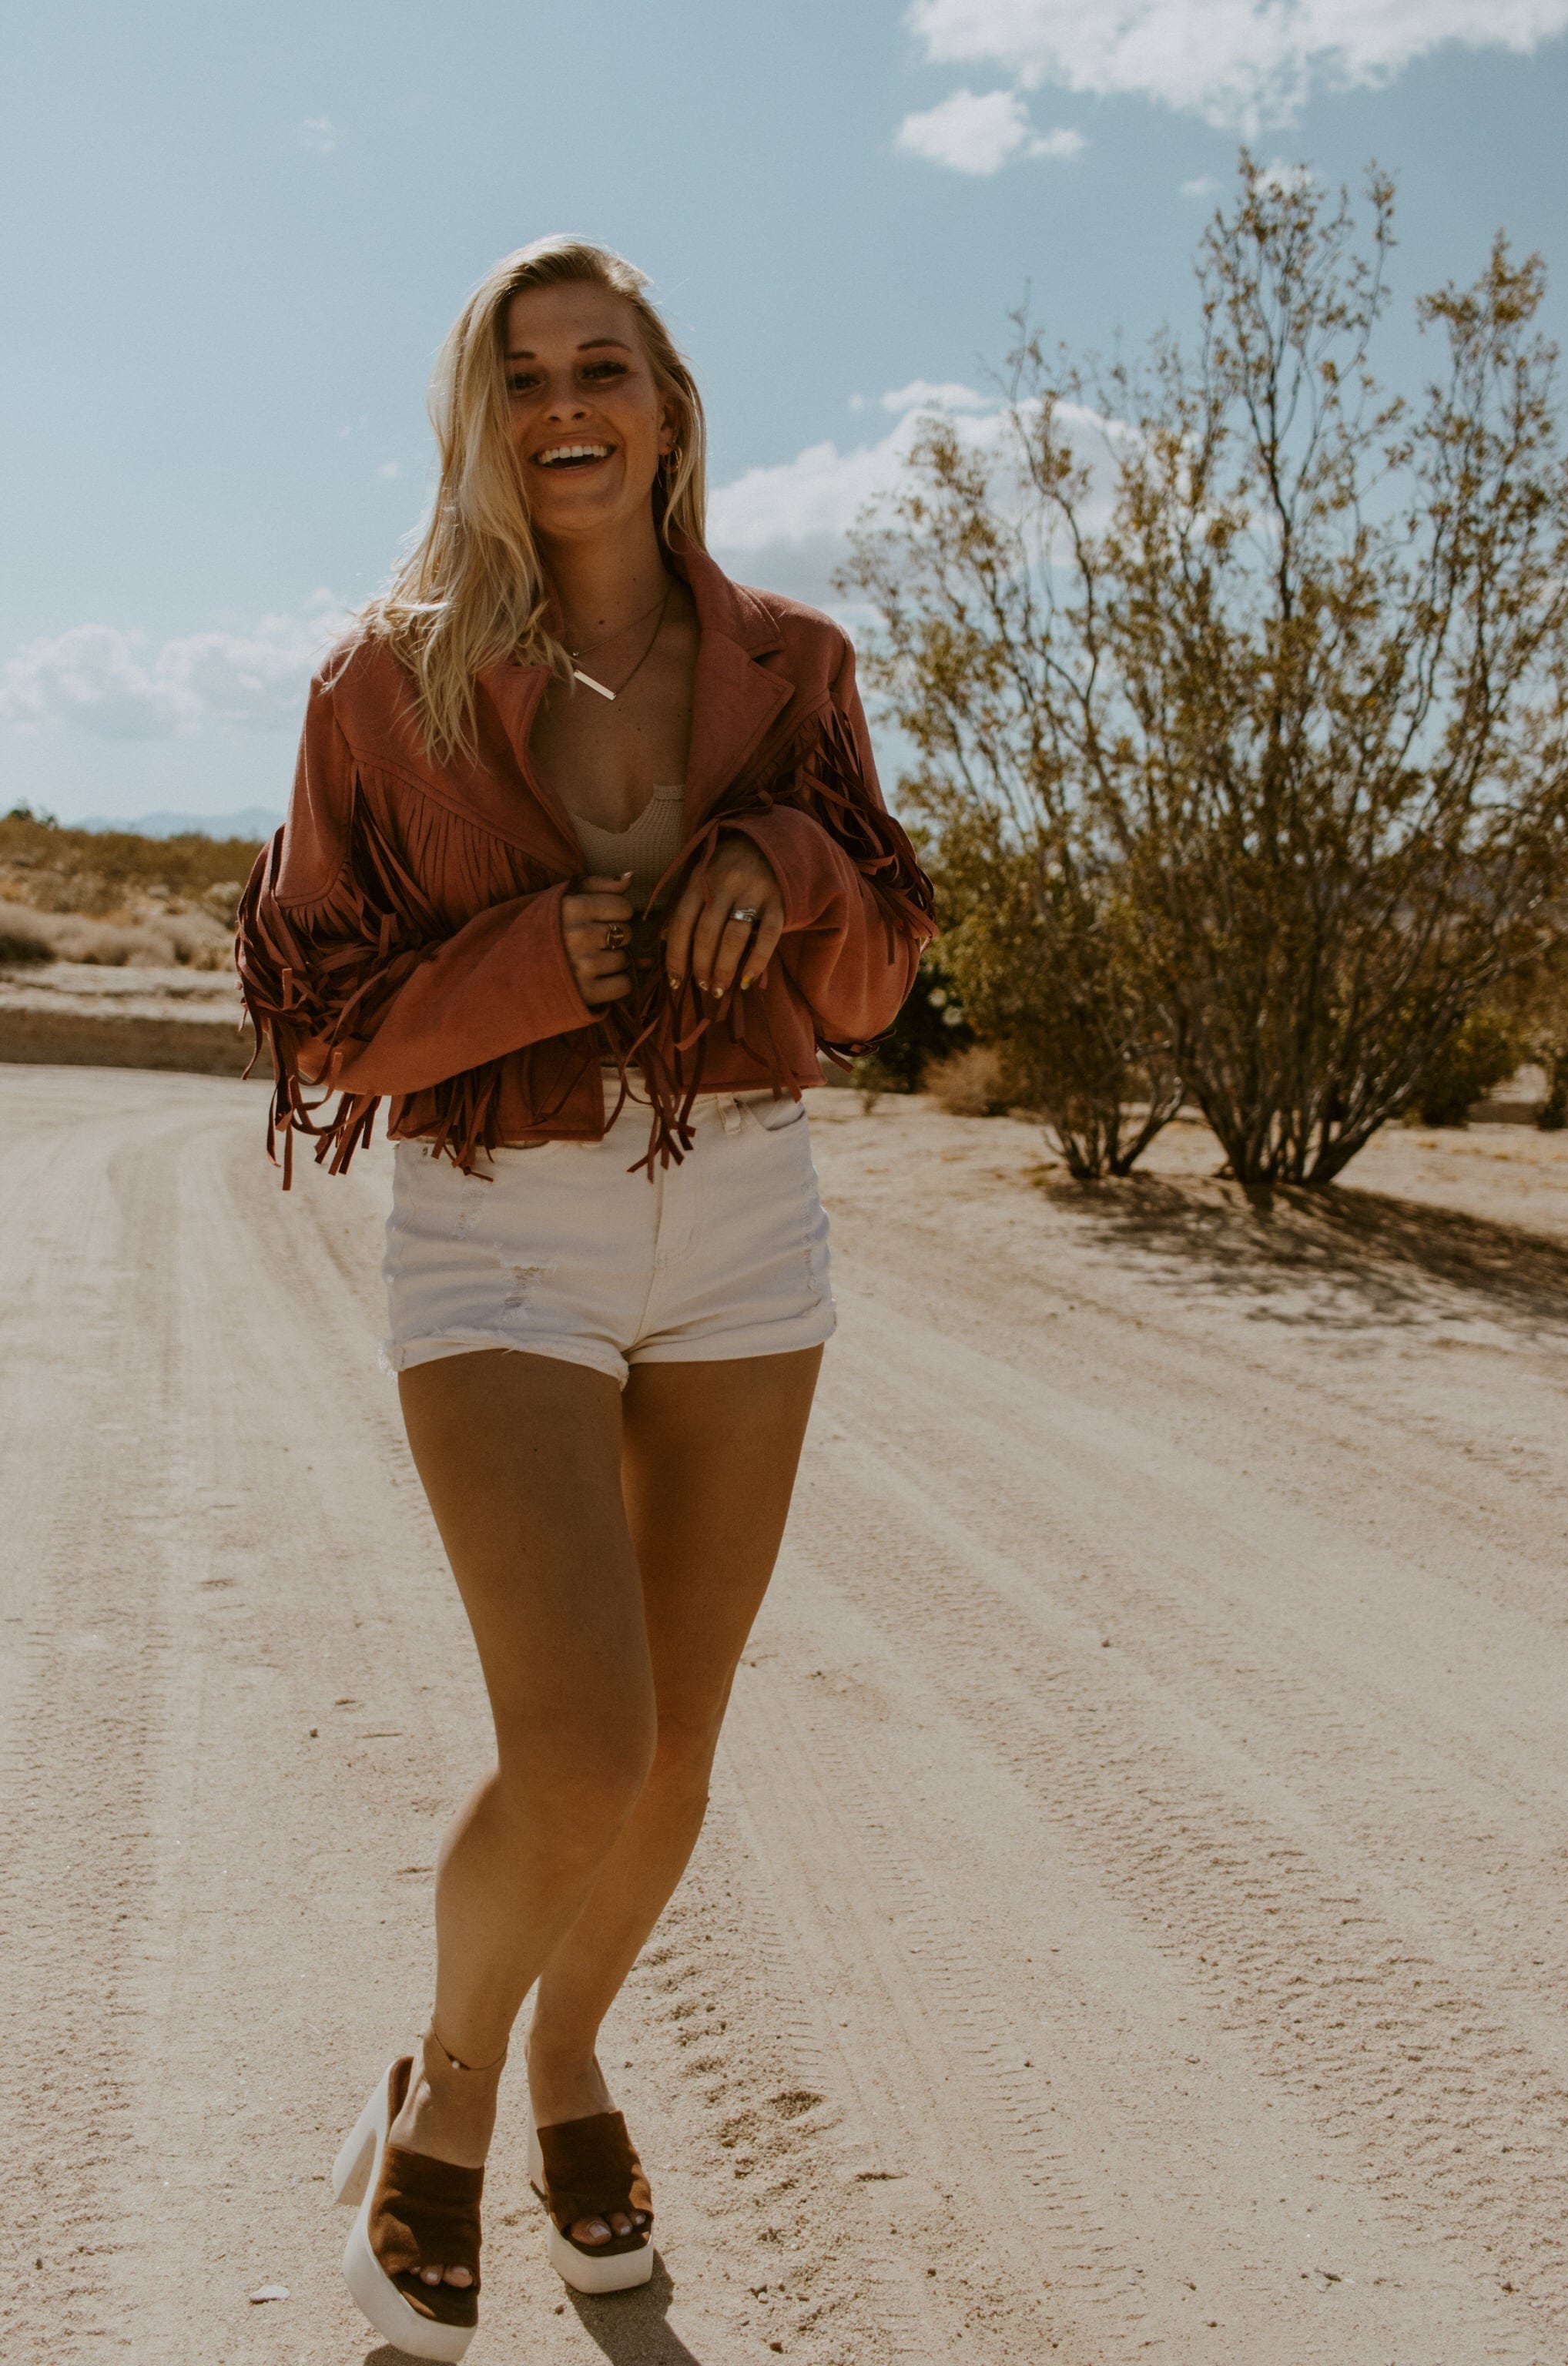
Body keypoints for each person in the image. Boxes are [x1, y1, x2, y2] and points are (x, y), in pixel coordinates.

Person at [237, 234, 933, 2360]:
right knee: (582, 1745)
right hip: (498, 1221)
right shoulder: (384, 682)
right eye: (523, 371)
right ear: (481, 415)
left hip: (744, 1216)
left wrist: (783, 872)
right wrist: (564, 958)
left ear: (671, 405)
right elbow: (322, 1023)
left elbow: (885, 960)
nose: (567, 404)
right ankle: (441, 2107)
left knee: (683, 1754)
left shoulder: (793, 665)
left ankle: (569, 2065)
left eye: (602, 366)